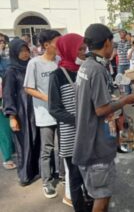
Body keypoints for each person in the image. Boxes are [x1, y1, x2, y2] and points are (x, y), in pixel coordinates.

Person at [73, 23, 134, 212]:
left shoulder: (87, 66)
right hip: (96, 147)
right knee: (101, 198)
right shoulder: (97, 69)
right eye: (113, 43)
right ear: (107, 43)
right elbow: (101, 109)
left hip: (89, 142)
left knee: (101, 194)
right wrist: (126, 100)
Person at [48, 33, 92, 211]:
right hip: (71, 134)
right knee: (75, 176)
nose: (83, 52)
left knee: (90, 173)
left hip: (89, 131)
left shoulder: (86, 70)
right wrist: (79, 120)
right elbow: (54, 109)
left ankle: (93, 204)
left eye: (84, 48)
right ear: (68, 50)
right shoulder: (56, 75)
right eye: (79, 49)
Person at [23, 29, 61, 198]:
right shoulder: (35, 63)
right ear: (47, 45)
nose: (60, 45)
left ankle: (63, 175)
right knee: (47, 149)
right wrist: (48, 98)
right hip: (45, 114)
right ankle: (47, 181)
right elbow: (28, 88)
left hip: (62, 112)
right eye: (57, 42)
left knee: (64, 146)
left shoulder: (60, 61)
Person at [2, 39, 41, 185]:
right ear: (14, 53)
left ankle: (36, 170)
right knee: (23, 144)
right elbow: (8, 95)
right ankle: (24, 175)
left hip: (36, 110)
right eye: (21, 51)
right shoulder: (11, 71)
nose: (25, 54)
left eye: (26, 50)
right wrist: (12, 116)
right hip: (21, 113)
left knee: (37, 141)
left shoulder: (32, 66)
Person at [0, 33, 16, 170]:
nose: (1, 44)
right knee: (4, 130)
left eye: (2, 41)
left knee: (12, 128)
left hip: (8, 97)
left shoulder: (6, 60)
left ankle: (13, 151)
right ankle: (7, 157)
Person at [116, 29, 132, 94]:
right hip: (121, 63)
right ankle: (123, 92)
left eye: (121, 32)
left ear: (125, 33)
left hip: (128, 63)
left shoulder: (129, 42)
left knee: (128, 79)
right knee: (119, 78)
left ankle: (128, 93)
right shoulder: (118, 43)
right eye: (119, 33)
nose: (120, 34)